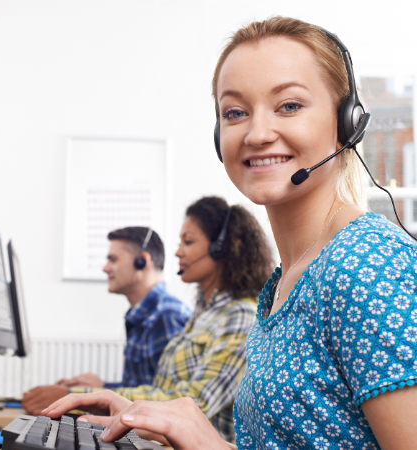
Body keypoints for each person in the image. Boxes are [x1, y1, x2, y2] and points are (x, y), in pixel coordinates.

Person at [41, 17, 417, 449]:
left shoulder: (367, 264)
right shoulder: (285, 281)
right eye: (235, 113)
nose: (257, 134)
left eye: (289, 105)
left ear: (347, 122)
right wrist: (152, 417)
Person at [50, 196, 274, 443]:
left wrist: (88, 394)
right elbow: (165, 390)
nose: (178, 251)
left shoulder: (241, 316)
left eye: (188, 242)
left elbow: (195, 402)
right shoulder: (205, 314)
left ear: (222, 247)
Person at [22, 226, 190, 414]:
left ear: (142, 261)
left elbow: (168, 401)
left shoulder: (166, 316)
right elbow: (144, 386)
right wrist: (103, 386)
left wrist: (79, 395)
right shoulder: (143, 314)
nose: (105, 268)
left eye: (113, 259)